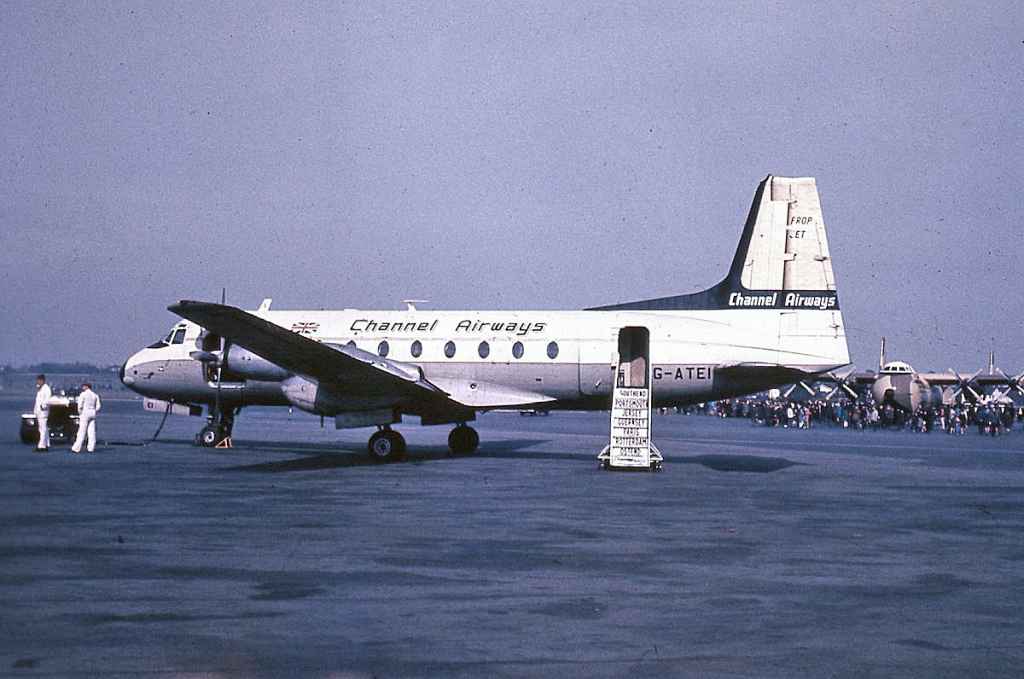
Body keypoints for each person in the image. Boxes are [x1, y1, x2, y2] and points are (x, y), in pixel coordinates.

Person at [71, 382, 101, 453]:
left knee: (81, 431)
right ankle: (91, 448)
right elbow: (98, 406)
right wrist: (94, 411)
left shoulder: (83, 394)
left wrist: (80, 412)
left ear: (87, 387)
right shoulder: (95, 395)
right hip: (92, 413)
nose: (82, 387)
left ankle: (76, 448)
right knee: (91, 432)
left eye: (83, 386)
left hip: (85, 413)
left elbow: (80, 405)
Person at [33, 374, 51, 452]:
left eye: (39, 380)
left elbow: (47, 399)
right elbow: (37, 401)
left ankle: (41, 446)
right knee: (43, 429)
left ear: (43, 380)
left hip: (43, 411)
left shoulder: (46, 389)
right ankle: (46, 444)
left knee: (42, 429)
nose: (38, 382)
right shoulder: (40, 389)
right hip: (39, 411)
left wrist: (42, 406)